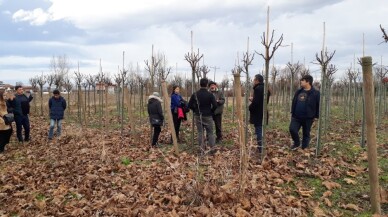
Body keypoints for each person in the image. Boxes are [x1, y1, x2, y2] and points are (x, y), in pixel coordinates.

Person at [289, 74, 320, 150]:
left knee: (306, 133)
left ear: (308, 82)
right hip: (296, 116)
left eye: (302, 80)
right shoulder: (298, 91)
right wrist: (292, 112)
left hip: (308, 117)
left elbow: (318, 105)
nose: (301, 82)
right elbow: (294, 102)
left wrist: (316, 116)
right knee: (292, 129)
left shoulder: (315, 93)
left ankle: (304, 147)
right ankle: (297, 143)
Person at [188, 78, 217, 155]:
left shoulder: (195, 94)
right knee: (210, 133)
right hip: (208, 116)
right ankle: (212, 149)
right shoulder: (210, 95)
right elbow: (215, 105)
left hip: (198, 115)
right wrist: (211, 111)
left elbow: (189, 105)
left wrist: (195, 110)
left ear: (199, 84)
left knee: (200, 132)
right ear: (207, 85)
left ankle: (201, 149)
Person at [249, 74, 265, 153]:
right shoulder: (266, 89)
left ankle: (260, 148)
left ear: (257, 80)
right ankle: (261, 147)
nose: (253, 81)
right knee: (260, 129)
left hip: (258, 113)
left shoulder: (258, 89)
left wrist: (250, 107)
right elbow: (262, 101)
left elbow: (256, 103)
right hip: (263, 112)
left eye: (254, 80)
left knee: (258, 130)